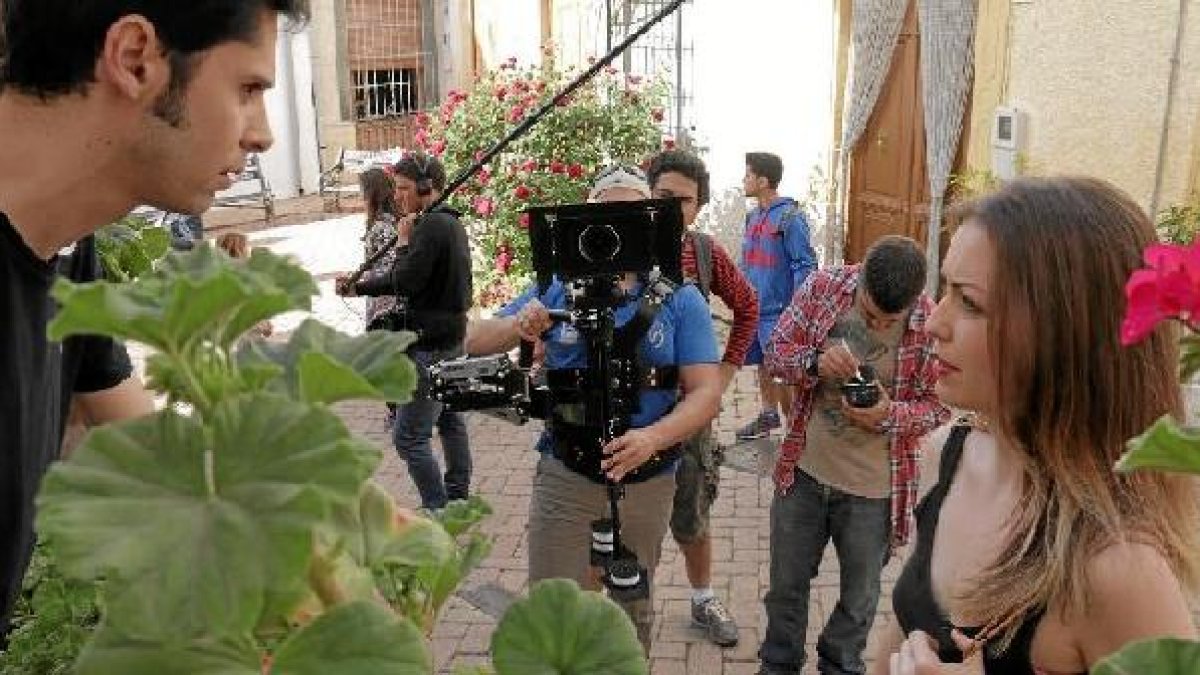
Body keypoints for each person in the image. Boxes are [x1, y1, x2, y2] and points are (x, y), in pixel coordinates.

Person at [0, 0, 308, 640]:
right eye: (248, 88)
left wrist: (323, 541)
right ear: (135, 58)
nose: (263, 134)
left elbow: (151, 449)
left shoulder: (65, 246)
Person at [877, 178, 1200, 675]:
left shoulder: (1118, 568)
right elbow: (901, 635)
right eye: (944, 289)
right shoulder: (948, 455)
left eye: (970, 303)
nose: (933, 322)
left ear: (1062, 336)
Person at [463, 165, 723, 651]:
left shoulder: (679, 298)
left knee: (629, 612)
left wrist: (653, 438)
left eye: (628, 216)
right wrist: (521, 325)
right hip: (566, 473)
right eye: (605, 216)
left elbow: (706, 393)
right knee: (553, 612)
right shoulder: (557, 287)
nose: (615, 230)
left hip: (646, 480)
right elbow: (474, 337)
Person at [757, 235, 949, 675]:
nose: (879, 326)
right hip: (803, 475)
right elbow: (776, 355)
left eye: (890, 320)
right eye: (868, 315)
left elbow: (937, 408)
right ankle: (778, 665)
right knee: (786, 589)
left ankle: (839, 667)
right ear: (858, 277)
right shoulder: (823, 287)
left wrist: (888, 414)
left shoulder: (931, 321)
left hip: (875, 492)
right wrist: (814, 363)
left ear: (913, 303)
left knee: (860, 601)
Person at [647, 149, 759, 647]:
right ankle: (630, 605)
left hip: (688, 414)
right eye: (662, 196)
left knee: (692, 512)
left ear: (699, 207)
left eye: (683, 200)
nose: (671, 207)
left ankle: (702, 599)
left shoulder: (706, 253)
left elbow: (749, 306)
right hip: (628, 412)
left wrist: (725, 374)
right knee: (625, 516)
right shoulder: (615, 248)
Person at [336, 152, 474, 511]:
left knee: (409, 437)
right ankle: (457, 494)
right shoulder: (450, 222)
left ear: (426, 188)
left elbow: (406, 281)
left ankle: (438, 508)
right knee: (449, 419)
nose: (397, 195)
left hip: (429, 346)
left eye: (404, 188)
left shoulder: (429, 226)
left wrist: (398, 246)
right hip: (453, 338)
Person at [737, 151, 818, 440]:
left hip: (779, 314)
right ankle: (769, 415)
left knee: (784, 374)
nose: (743, 180)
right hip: (755, 310)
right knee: (762, 364)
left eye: (747, 175)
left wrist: (796, 313)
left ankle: (794, 436)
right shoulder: (753, 216)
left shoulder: (790, 218)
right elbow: (747, 261)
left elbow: (805, 265)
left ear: (763, 180)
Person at [215, 232, 273, 339]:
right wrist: (265, 324)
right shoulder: (248, 273)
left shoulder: (214, 272)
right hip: (247, 331)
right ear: (239, 248)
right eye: (246, 246)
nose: (248, 249)